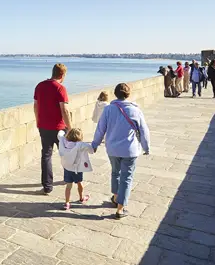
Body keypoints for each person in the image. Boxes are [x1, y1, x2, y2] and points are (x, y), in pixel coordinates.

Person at [92, 83, 151, 219]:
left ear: (115, 94)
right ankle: (120, 209)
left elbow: (100, 129)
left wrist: (94, 144)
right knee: (126, 178)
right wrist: (146, 147)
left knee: (115, 172)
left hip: (112, 149)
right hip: (130, 150)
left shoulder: (108, 109)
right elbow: (144, 131)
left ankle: (116, 197)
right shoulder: (135, 110)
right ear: (128, 94)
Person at [33, 63, 71, 194]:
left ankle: (47, 186)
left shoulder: (40, 86)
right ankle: (68, 178)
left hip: (43, 126)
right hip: (60, 128)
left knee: (46, 156)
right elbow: (64, 110)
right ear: (62, 75)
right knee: (66, 154)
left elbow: (36, 106)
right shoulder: (60, 88)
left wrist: (38, 122)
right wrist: (70, 128)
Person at [58, 127, 94, 210]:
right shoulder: (80, 145)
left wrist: (64, 129)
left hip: (67, 168)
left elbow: (59, 134)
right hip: (77, 169)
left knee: (68, 186)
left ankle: (67, 203)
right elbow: (91, 150)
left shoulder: (63, 141)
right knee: (79, 183)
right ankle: (81, 197)